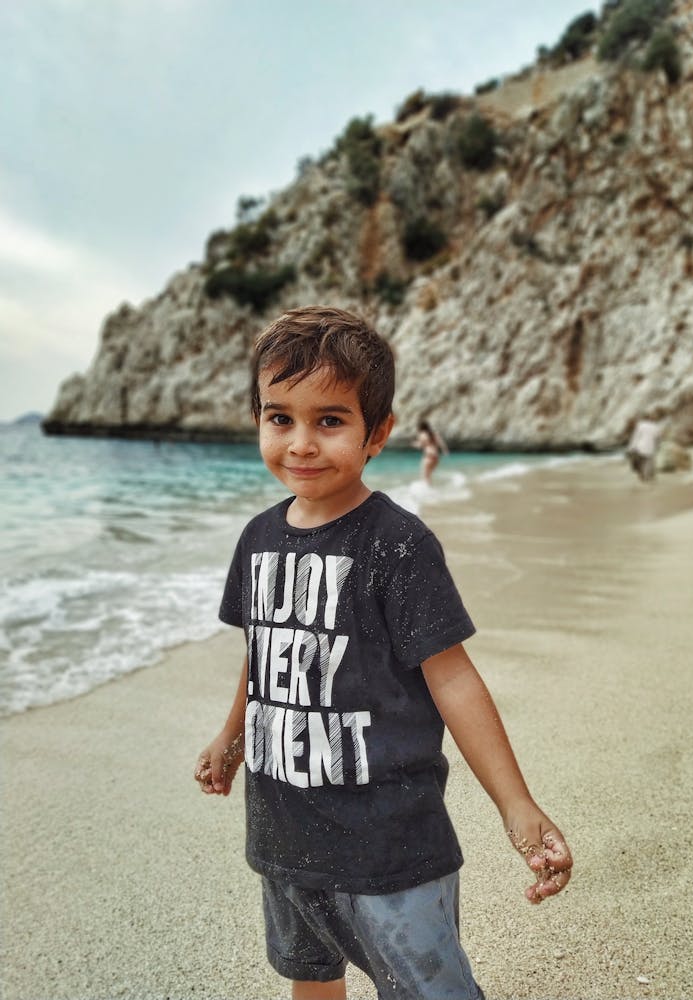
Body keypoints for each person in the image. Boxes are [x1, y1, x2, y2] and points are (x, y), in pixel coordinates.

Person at [194, 306, 572, 1000]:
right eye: (280, 418)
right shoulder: (257, 539)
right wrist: (231, 734)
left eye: (329, 420)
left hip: (391, 846)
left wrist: (516, 805)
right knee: (311, 978)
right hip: (282, 834)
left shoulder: (397, 546)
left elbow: (454, 680)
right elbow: (265, 646)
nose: (301, 443)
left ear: (378, 433)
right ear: (257, 420)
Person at [626, 412, 662, 482]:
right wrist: (657, 447)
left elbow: (636, 437)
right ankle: (646, 476)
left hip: (640, 447)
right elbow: (658, 439)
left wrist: (631, 447)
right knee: (648, 463)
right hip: (650, 448)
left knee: (641, 462)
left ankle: (643, 475)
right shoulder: (656, 427)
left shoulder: (641, 425)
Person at [413, 418, 448, 483]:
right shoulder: (433, 434)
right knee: (428, 476)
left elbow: (421, 445)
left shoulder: (422, 434)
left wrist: (414, 444)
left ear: (420, 427)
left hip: (428, 456)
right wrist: (445, 450)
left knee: (424, 476)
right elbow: (441, 442)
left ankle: (427, 491)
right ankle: (430, 490)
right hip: (436, 457)